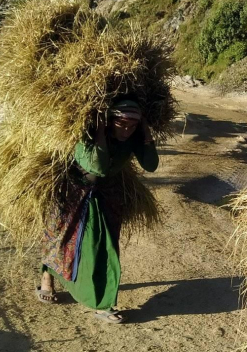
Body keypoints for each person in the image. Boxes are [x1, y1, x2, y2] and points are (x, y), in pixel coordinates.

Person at [35, 99, 159, 324]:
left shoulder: (132, 138)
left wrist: (146, 134)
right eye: (122, 124)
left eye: (132, 125)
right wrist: (100, 132)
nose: (127, 130)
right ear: (108, 121)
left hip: (107, 197)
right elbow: (98, 166)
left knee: (103, 249)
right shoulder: (86, 137)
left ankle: (103, 303)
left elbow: (150, 165)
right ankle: (47, 277)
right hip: (73, 195)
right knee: (60, 241)